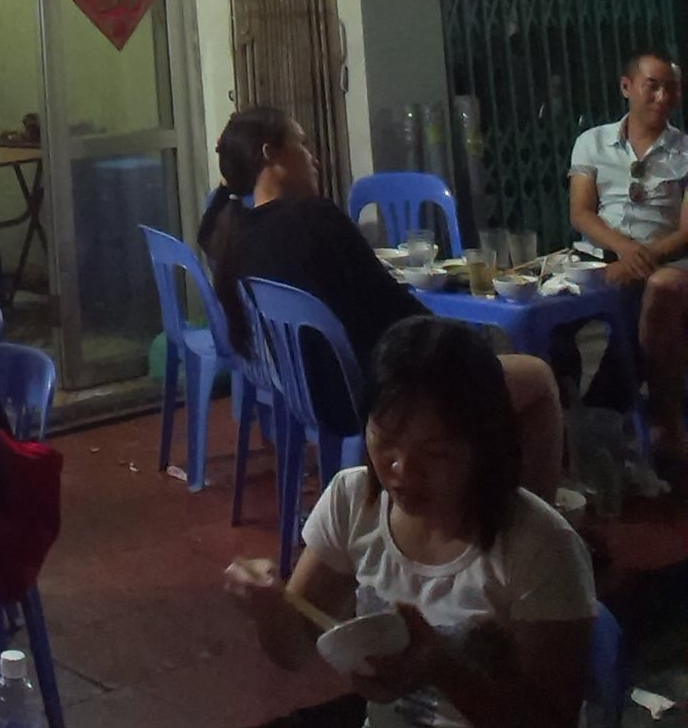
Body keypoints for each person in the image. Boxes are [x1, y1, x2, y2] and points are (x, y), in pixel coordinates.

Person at [225, 317, 594, 728]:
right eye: (385, 439)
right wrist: (269, 607)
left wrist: (444, 667)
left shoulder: (540, 545)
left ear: (484, 446)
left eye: (435, 453)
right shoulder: (353, 500)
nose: (401, 471)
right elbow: (293, 650)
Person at [201, 108, 563, 500]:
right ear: (271, 154)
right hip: (387, 394)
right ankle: (533, 526)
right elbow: (401, 314)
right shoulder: (314, 218)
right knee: (538, 377)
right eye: (302, 144)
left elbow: (209, 228)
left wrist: (232, 168)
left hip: (316, 396)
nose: (313, 158)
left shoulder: (236, 238)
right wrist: (469, 347)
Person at [569, 48, 688, 461]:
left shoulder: (684, 149)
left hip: (665, 257)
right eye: (652, 86)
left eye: (671, 88)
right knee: (551, 307)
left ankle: (660, 418)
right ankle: (567, 412)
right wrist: (622, 249)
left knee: (662, 287)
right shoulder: (592, 142)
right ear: (627, 87)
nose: (663, 97)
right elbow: (581, 211)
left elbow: (686, 230)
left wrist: (641, 257)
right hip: (600, 255)